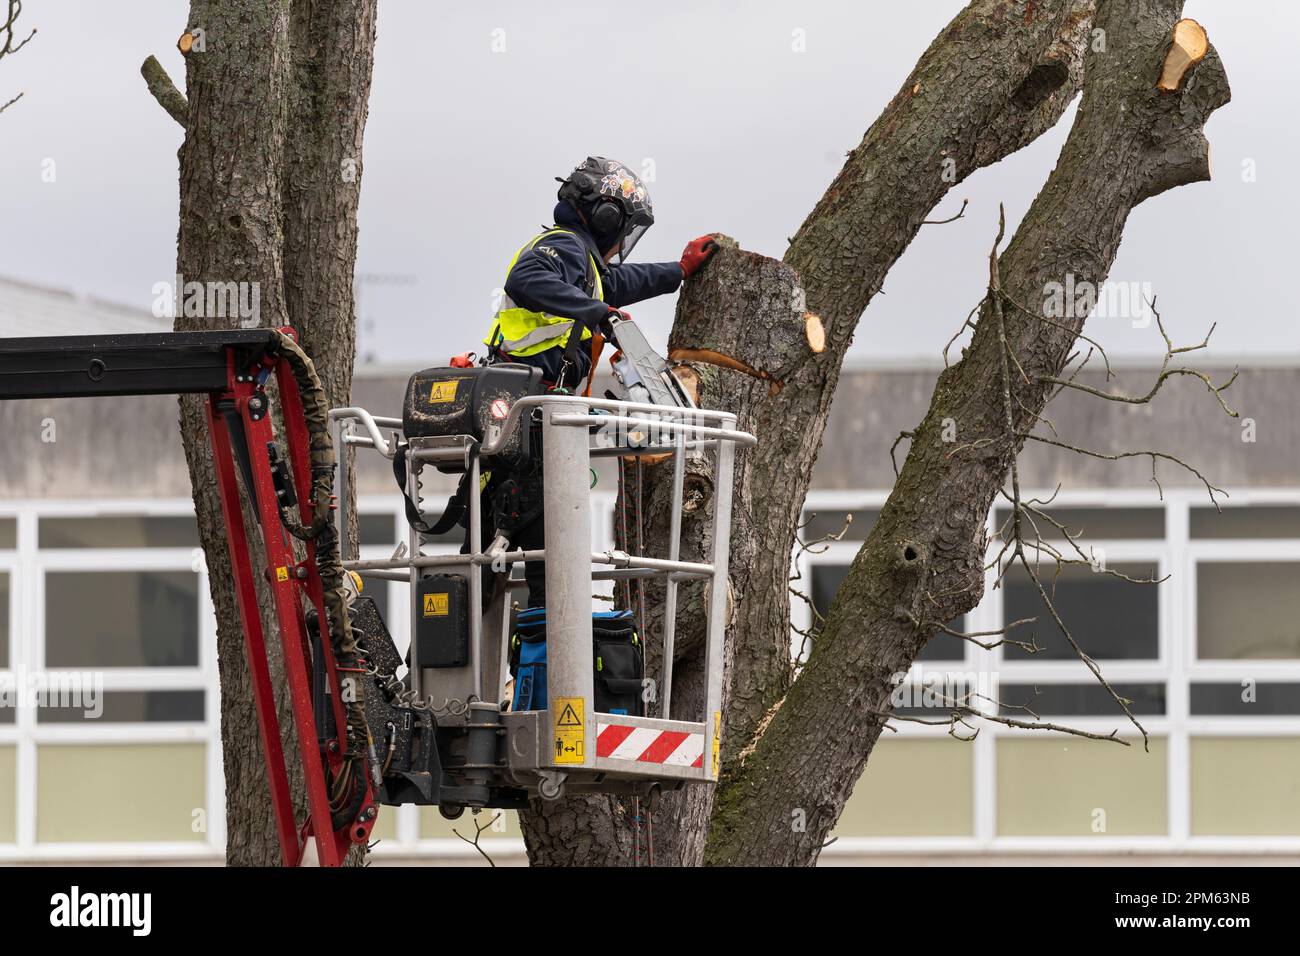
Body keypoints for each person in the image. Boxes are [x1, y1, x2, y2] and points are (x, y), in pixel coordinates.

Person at [480, 156, 717, 608]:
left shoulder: (583, 262)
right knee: (546, 569)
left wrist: (679, 271)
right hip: (527, 421)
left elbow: (616, 283)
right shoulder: (563, 246)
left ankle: (507, 664)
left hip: (529, 422)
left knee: (497, 561)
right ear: (608, 217)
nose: (622, 240)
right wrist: (599, 314)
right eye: (624, 227)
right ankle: (546, 669)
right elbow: (527, 277)